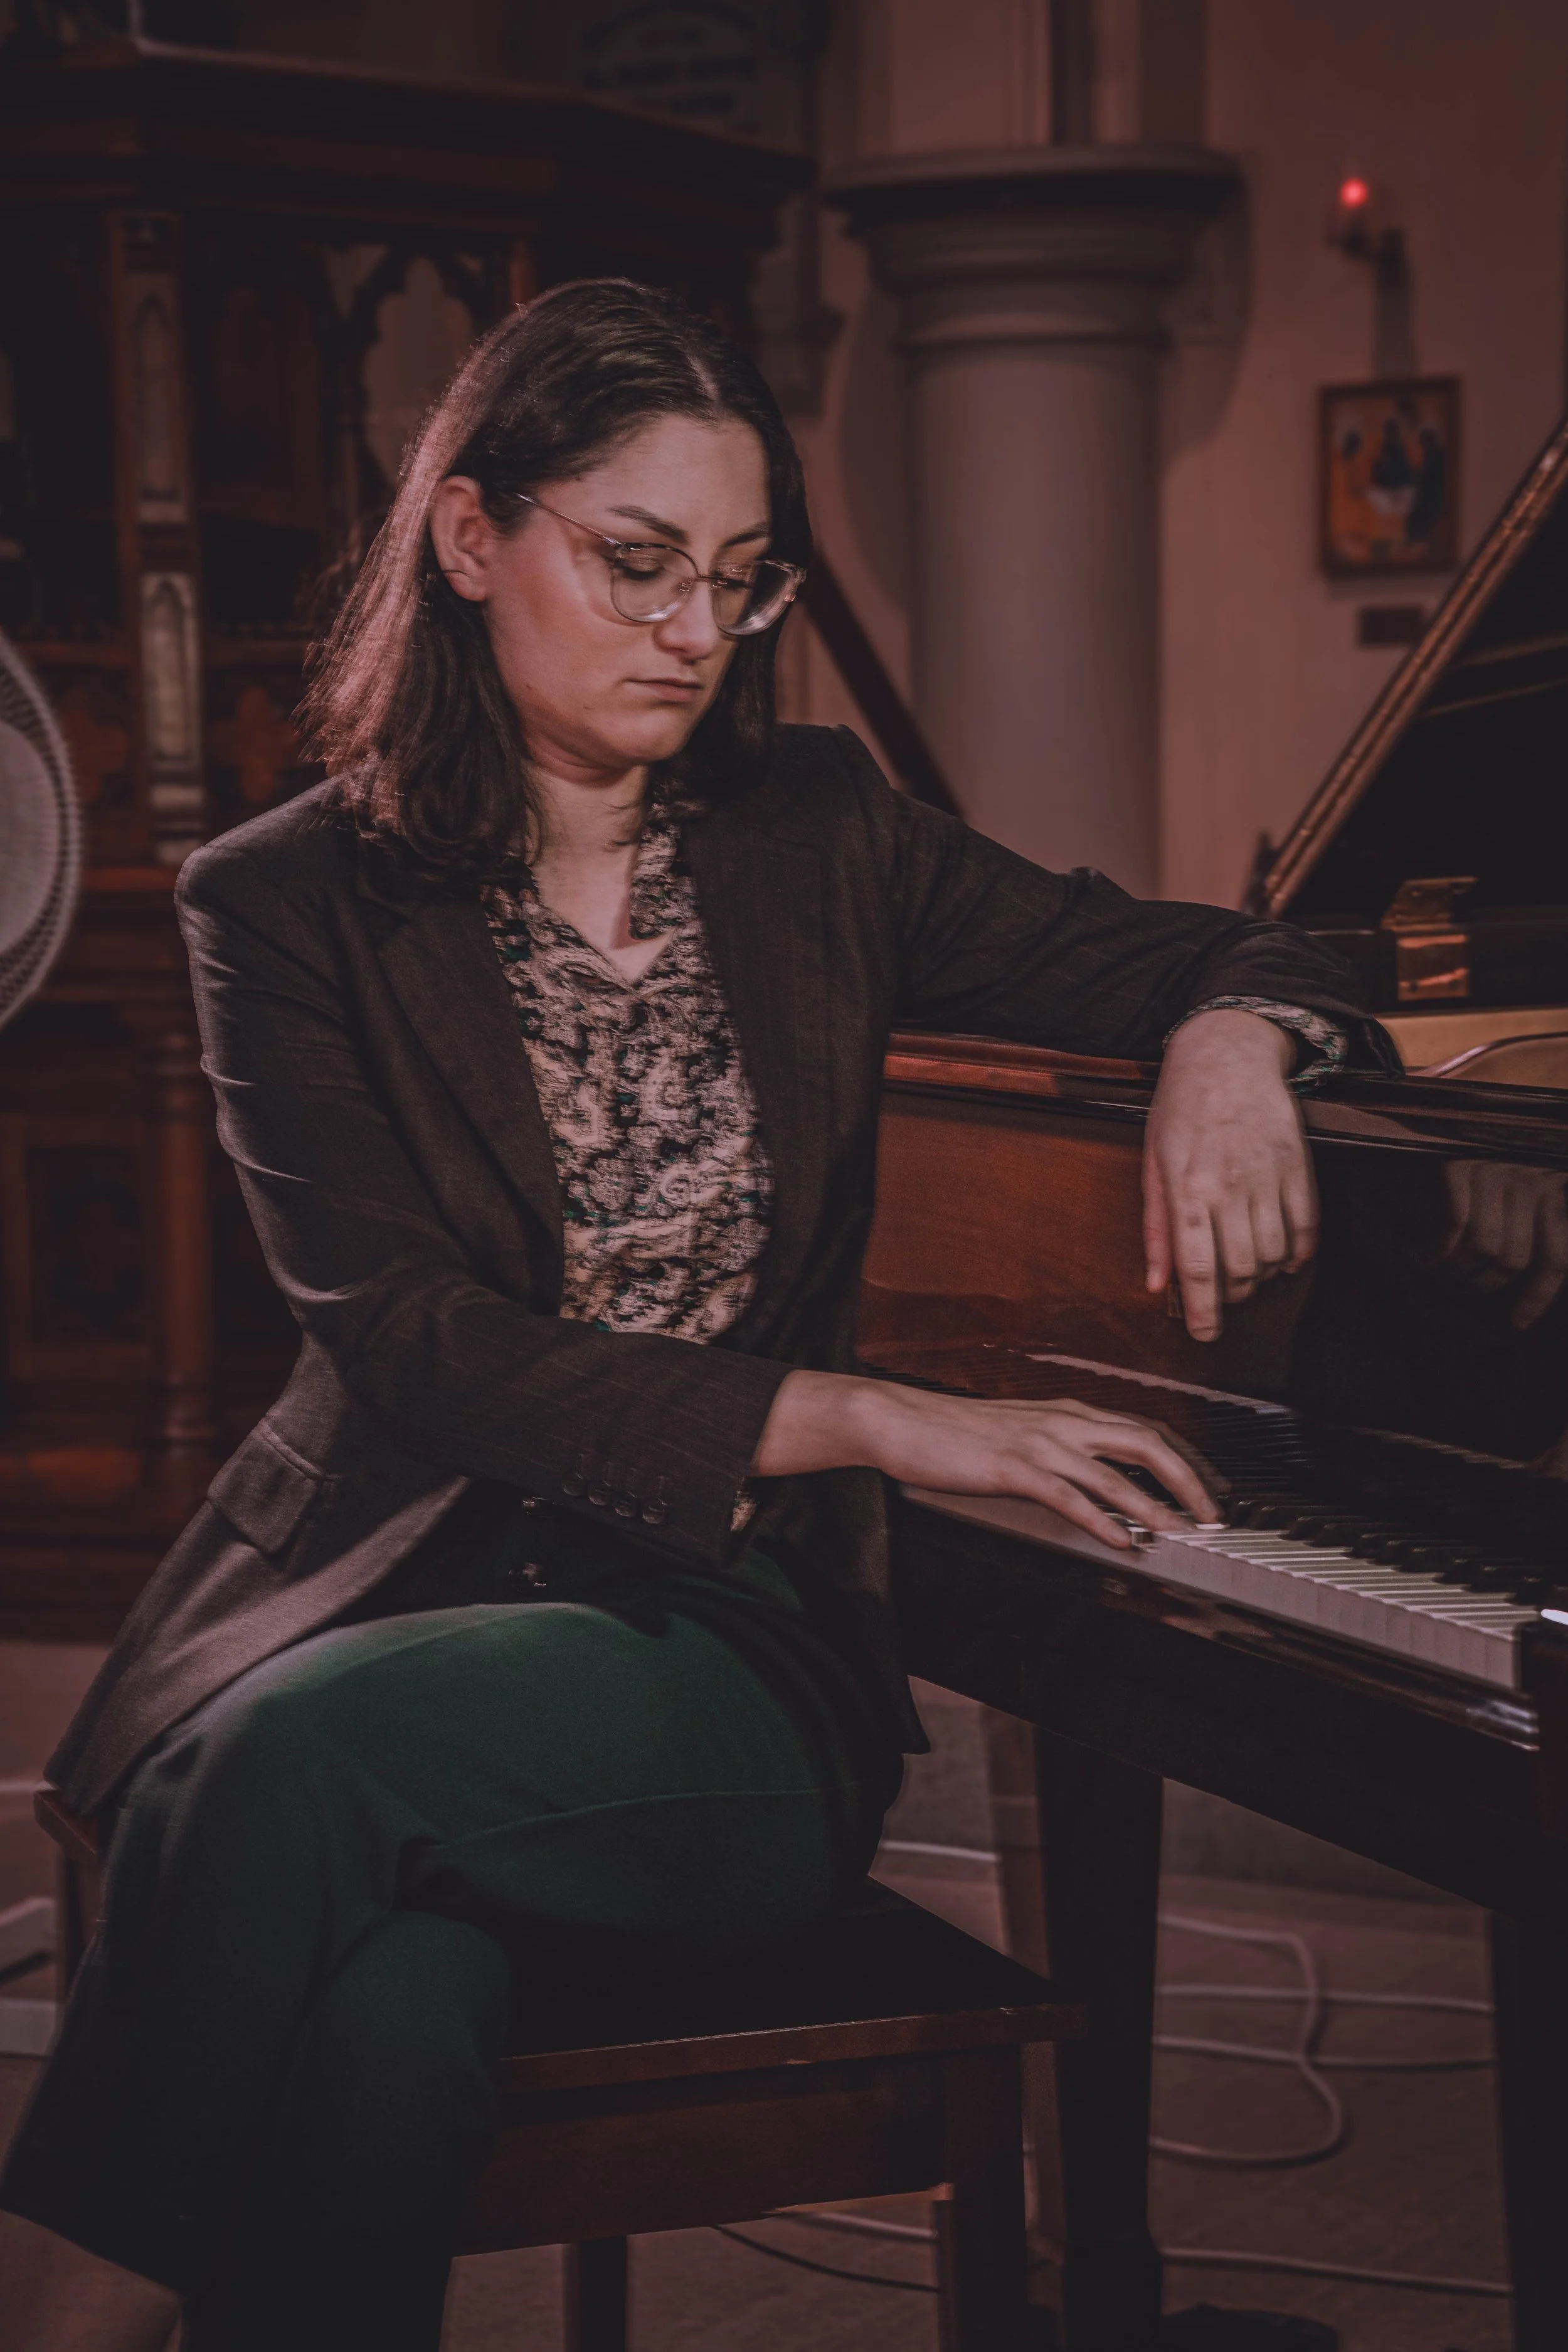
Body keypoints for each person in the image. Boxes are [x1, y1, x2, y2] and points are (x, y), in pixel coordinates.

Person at [0, 278, 1390, 2352]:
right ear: (471, 539)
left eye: (738, 584)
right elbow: (409, 1337)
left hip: (721, 1657)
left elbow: (1266, 934)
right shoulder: (278, 902)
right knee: (385, 2014)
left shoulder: (819, 833)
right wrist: (873, 1412)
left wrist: (1230, 1037)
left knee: (280, 1776)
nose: (689, 631)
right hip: (374, 1596)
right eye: (634, 564)